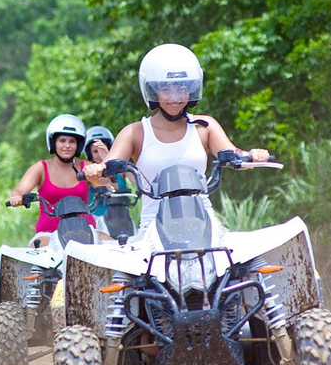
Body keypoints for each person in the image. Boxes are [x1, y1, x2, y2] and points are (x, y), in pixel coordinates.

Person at [83, 43, 269, 229]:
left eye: (182, 89)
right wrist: (94, 173)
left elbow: (234, 155)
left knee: (248, 255)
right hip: (153, 228)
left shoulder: (205, 127)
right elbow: (105, 173)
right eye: (167, 90)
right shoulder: (134, 132)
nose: (175, 96)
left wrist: (253, 155)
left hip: (204, 222)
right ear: (154, 91)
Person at [7, 114, 96, 247]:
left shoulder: (87, 167)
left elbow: (110, 186)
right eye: (62, 141)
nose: (67, 145)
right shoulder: (41, 168)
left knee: (113, 246)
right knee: (35, 252)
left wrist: (105, 159)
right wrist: (16, 197)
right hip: (48, 234)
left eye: (72, 141)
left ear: (79, 145)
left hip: (87, 231)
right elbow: (19, 190)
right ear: (53, 143)